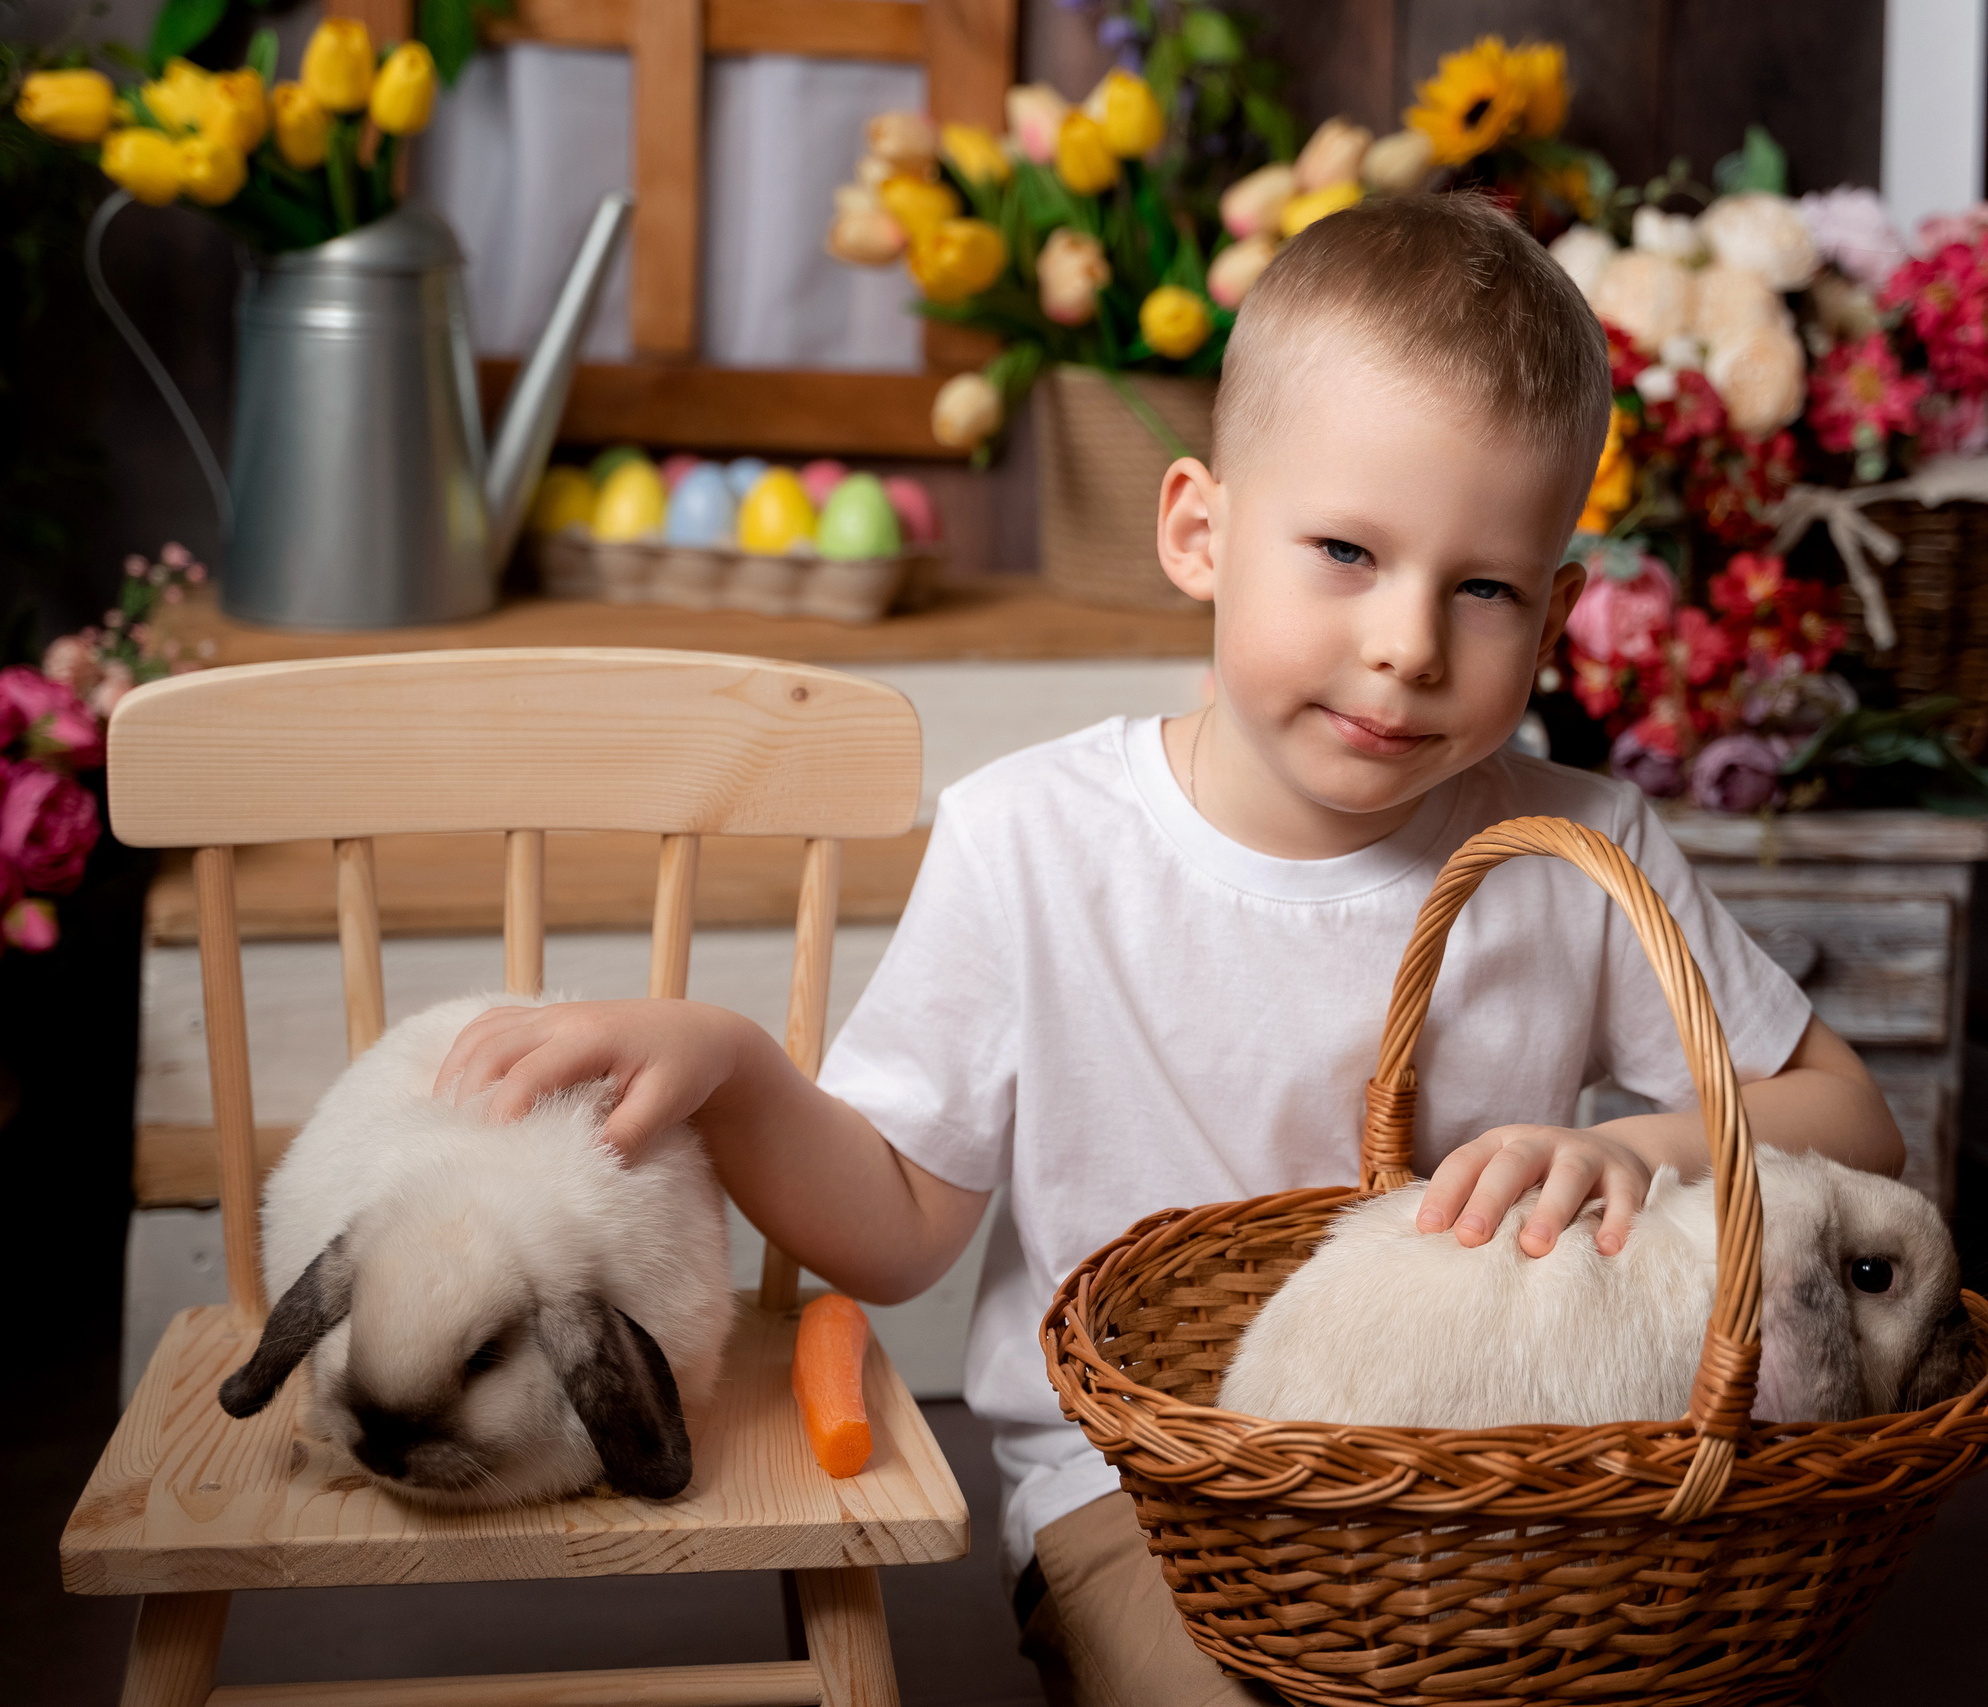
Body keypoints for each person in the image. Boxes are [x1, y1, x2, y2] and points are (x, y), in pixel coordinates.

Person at [433, 195, 1902, 1705]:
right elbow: (893, 1228)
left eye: (1483, 588)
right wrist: (738, 1072)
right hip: (1148, 1502)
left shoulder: (1581, 848)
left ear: (1557, 613)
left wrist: (1645, 1149)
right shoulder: (1035, 842)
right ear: (1200, 531)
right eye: (1344, 551)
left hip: (1498, 1479)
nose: (1407, 643)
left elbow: (1857, 1127)